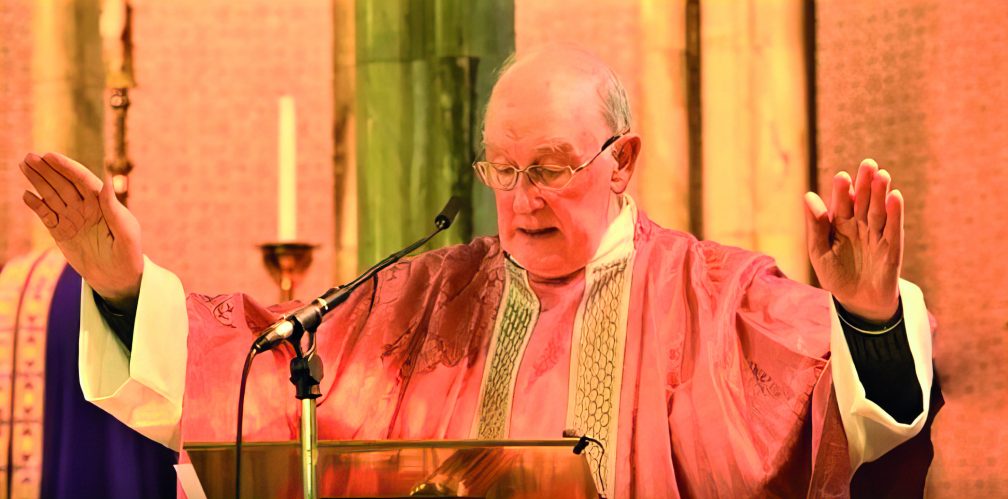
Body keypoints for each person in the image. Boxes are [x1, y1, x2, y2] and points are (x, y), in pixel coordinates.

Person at [16, 47, 936, 497]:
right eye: (501, 169)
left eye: (550, 168)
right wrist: (125, 286)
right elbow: (259, 371)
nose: (521, 198)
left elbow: (849, 411)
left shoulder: (713, 295)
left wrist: (869, 316)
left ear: (622, 160)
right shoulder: (428, 299)